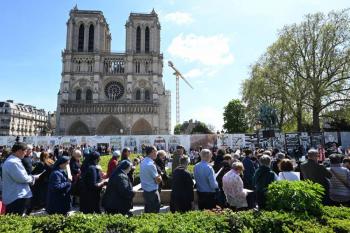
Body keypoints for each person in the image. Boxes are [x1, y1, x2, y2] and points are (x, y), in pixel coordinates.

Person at [2, 142, 40, 215]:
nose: (25, 153)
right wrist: (33, 178)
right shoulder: (13, 162)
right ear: (19, 151)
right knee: (15, 219)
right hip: (16, 196)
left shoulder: (13, 161)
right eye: (25, 151)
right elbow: (22, 179)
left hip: (16, 195)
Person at [140, 145, 162, 213]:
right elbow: (157, 180)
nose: (157, 153)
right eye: (156, 151)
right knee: (154, 212)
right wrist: (160, 177)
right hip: (152, 192)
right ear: (152, 152)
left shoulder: (143, 161)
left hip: (146, 190)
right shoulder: (151, 164)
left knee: (148, 211)